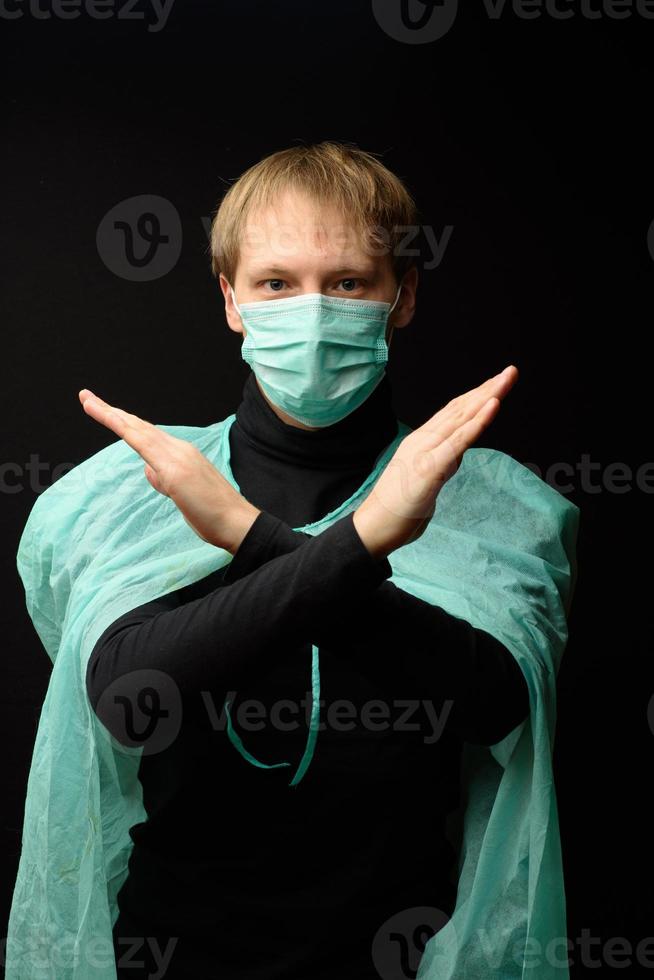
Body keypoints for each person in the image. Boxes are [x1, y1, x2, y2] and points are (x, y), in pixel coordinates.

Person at [8, 142, 577, 980]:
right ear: (231, 300)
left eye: (348, 283)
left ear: (404, 297)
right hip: (169, 959)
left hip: (400, 959)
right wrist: (355, 544)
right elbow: (130, 699)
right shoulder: (133, 495)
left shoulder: (496, 505)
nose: (312, 314)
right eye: (276, 284)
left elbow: (493, 702)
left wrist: (247, 533)